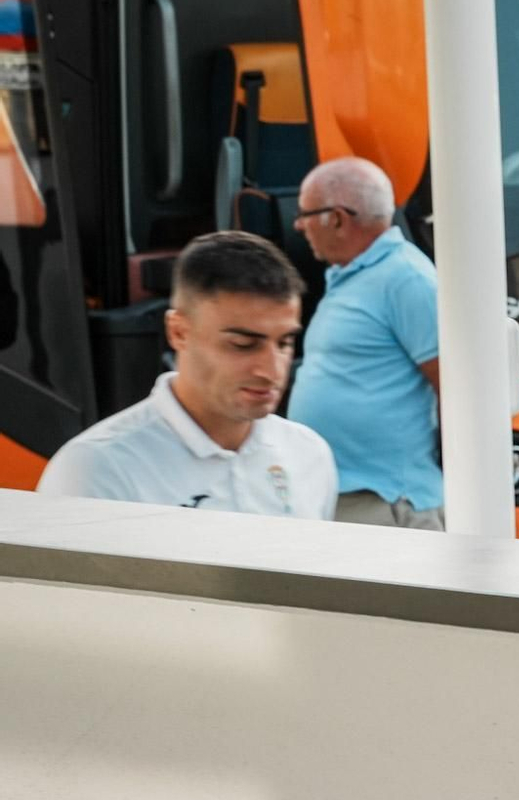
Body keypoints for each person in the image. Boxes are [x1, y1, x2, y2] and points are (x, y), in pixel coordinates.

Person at [38, 231, 335, 518]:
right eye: (243, 345)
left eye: (284, 343)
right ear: (178, 332)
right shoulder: (95, 469)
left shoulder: (309, 455)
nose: (272, 370)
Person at [286, 156, 444, 529]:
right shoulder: (359, 274)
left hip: (386, 504)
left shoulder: (407, 278)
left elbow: (455, 387)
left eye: (305, 214)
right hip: (348, 498)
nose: (298, 226)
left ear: (337, 218)